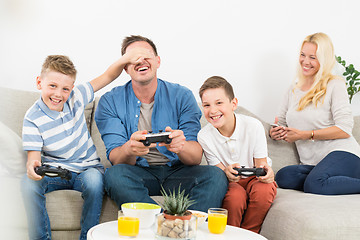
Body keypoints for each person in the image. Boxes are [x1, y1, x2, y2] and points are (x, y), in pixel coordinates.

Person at [95, 35, 228, 212]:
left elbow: (195, 157)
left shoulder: (182, 96)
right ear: (126, 68)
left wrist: (181, 146)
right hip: (138, 173)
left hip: (178, 172)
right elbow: (115, 158)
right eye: (133, 58)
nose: (140, 60)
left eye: (146, 55)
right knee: (114, 175)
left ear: (157, 61)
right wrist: (129, 148)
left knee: (216, 176)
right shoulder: (109, 102)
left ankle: (188, 226)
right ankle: (163, 223)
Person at [21, 54, 132, 240]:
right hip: (55, 172)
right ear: (39, 82)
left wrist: (125, 59)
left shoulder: (76, 97)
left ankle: (87, 237)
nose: (58, 94)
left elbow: (107, 76)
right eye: (52, 86)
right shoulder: (32, 118)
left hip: (87, 169)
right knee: (28, 184)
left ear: (72, 88)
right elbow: (34, 158)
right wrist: (32, 167)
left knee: (96, 183)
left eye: (65, 89)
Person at [270, 32, 360, 195]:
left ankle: (324, 179)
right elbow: (281, 121)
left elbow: (345, 129)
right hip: (315, 164)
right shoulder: (293, 89)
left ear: (324, 60)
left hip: (343, 154)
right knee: (284, 176)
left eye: (313, 57)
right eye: (303, 55)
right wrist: (275, 131)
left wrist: (304, 135)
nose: (305, 61)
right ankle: (326, 179)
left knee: (314, 185)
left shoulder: (335, 85)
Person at [197, 76, 277, 233]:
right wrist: (227, 171)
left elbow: (261, 165)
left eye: (219, 103)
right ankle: (231, 234)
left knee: (264, 190)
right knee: (234, 197)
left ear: (233, 104)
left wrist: (267, 173)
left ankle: (249, 233)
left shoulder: (253, 126)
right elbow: (219, 172)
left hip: (255, 177)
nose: (213, 110)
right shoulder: (204, 136)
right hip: (231, 181)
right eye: (206, 105)